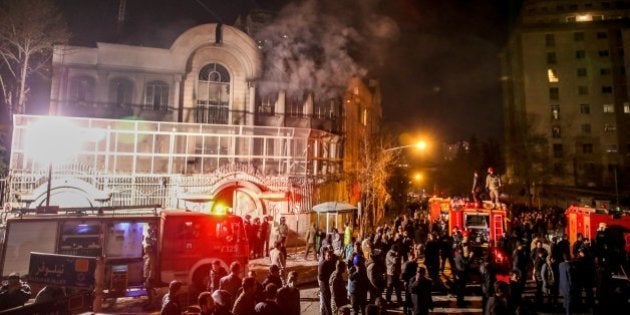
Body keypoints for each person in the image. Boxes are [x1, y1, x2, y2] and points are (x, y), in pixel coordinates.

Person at [318, 248, 336, 315]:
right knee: (327, 305)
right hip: (325, 288)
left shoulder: (331, 262)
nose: (329, 257)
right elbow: (321, 277)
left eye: (330, 255)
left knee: (328, 304)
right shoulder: (322, 264)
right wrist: (329, 280)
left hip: (329, 287)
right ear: (325, 256)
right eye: (328, 255)